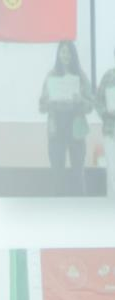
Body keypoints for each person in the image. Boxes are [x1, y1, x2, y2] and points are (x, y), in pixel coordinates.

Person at [39, 40, 94, 195]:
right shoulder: (51, 75)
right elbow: (41, 107)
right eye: (63, 52)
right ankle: (58, 207)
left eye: (69, 52)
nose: (66, 55)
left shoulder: (81, 76)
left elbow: (91, 105)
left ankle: (80, 207)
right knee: (57, 173)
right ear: (58, 54)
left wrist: (80, 100)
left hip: (76, 127)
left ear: (73, 55)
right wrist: (49, 101)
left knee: (78, 173)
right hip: (56, 128)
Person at [95, 47, 115, 197]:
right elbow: (98, 100)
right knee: (112, 171)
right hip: (111, 130)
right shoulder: (108, 76)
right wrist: (105, 112)